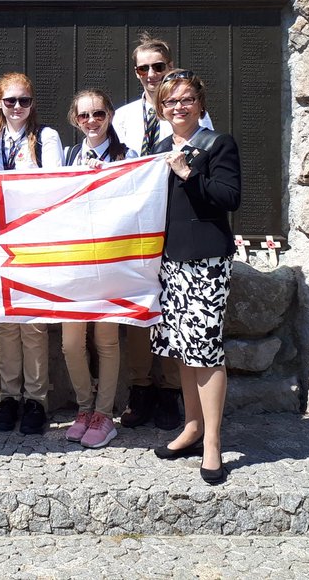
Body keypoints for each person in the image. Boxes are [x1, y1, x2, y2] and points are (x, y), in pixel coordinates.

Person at [112, 35, 213, 431]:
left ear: (170, 66)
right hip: (135, 227)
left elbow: (204, 164)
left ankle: (171, 389)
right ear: (135, 72)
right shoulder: (121, 117)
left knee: (173, 308)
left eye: (159, 66)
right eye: (144, 68)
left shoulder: (197, 116)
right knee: (140, 305)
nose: (152, 74)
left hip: (176, 224)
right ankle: (141, 387)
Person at [151, 70, 241, 485]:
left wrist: (190, 173)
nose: (178, 108)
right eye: (170, 102)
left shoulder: (218, 143)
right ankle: (191, 427)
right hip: (170, 262)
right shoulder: (156, 147)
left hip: (206, 261)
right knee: (182, 349)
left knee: (205, 350)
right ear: (161, 108)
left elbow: (229, 197)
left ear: (199, 104)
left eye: (186, 100)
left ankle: (213, 443)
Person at [0, 72, 64, 434]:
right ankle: (8, 396)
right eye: (10, 101)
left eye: (25, 100)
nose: (18, 107)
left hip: (35, 239)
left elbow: (54, 185)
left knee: (32, 323)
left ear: (33, 103)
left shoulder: (46, 137)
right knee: (6, 323)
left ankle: (36, 399)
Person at [60, 89, 135, 449]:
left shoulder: (126, 156)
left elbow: (135, 206)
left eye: (99, 114)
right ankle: (84, 408)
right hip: (75, 260)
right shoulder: (69, 156)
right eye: (84, 115)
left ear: (110, 116)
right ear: (75, 120)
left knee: (105, 340)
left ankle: (104, 414)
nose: (92, 121)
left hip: (109, 260)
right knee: (71, 342)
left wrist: (106, 178)